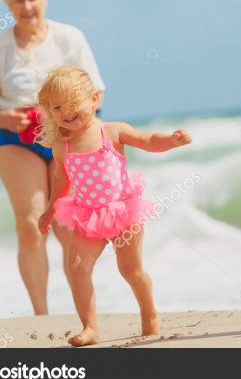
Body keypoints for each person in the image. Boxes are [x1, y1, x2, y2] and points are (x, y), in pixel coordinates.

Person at [0, 0, 106, 315]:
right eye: (19, 0)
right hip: (17, 139)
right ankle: (41, 314)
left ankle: (84, 314)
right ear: (9, 6)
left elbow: (97, 94)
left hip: (66, 134)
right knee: (32, 224)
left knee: (67, 223)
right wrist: (4, 118)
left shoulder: (70, 38)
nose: (27, 6)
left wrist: (68, 117)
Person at [36, 66, 192, 346]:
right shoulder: (62, 147)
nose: (67, 112)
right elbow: (61, 179)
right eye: (58, 107)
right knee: (77, 267)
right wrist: (50, 208)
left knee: (130, 270)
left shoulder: (112, 132)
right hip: (87, 216)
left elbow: (147, 140)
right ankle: (90, 327)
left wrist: (170, 140)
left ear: (94, 100)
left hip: (122, 213)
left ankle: (149, 312)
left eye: (74, 104)